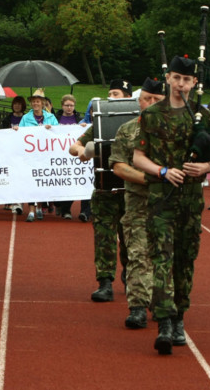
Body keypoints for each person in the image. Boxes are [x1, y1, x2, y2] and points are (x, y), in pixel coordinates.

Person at [133, 56, 210, 355]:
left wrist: (207, 166)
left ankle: (179, 316)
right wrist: (162, 171)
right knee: (161, 258)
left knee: (184, 260)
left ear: (194, 83)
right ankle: (165, 322)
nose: (181, 84)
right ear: (168, 79)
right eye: (176, 78)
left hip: (191, 202)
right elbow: (138, 157)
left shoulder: (205, 118)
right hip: (161, 199)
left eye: (186, 79)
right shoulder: (151, 115)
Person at [69, 78, 133, 302]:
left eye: (116, 94)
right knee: (104, 237)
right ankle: (105, 282)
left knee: (130, 238)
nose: (111, 98)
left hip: (131, 190)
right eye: (110, 94)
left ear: (128, 98)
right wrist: (84, 151)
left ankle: (130, 276)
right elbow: (73, 147)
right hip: (105, 189)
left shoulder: (139, 121)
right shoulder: (100, 122)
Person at [109, 77, 164, 328]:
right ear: (139, 101)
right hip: (138, 204)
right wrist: (150, 179)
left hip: (168, 207)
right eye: (147, 99)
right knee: (138, 255)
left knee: (164, 257)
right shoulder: (127, 130)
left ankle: (162, 304)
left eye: (157, 100)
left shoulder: (176, 131)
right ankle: (138, 306)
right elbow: (118, 166)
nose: (151, 103)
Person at [18, 88, 59, 222]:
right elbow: (20, 135)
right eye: (33, 102)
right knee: (31, 181)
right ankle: (31, 210)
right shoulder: (26, 118)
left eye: (38, 101)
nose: (35, 104)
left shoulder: (51, 117)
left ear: (42, 103)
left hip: (46, 155)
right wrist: (16, 130)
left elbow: (58, 133)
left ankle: (40, 207)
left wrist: (51, 129)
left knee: (42, 181)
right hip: (31, 155)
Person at [54, 94, 83, 219]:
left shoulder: (79, 120)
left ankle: (67, 210)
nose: (69, 108)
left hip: (73, 156)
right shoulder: (56, 119)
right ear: (62, 106)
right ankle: (58, 203)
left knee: (70, 183)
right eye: (67, 105)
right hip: (57, 155)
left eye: (71, 105)